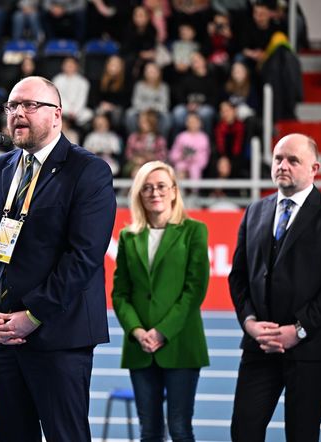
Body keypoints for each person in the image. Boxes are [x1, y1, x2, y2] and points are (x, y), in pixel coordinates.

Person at [0, 76, 117, 441]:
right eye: (12, 106)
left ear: (57, 115)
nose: (18, 113)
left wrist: (32, 315)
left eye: (30, 105)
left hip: (58, 335)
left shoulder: (88, 170)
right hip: (2, 335)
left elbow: (84, 256)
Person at [228, 133, 321, 442]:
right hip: (260, 347)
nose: (283, 165)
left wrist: (298, 329)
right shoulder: (254, 212)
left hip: (310, 347)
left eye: (293, 160)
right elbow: (239, 276)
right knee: (243, 432)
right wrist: (249, 323)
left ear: (314, 168)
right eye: (278, 159)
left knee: (302, 436)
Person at [112, 160, 210, 442]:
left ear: (174, 191)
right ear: (139, 194)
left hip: (181, 344)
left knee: (180, 429)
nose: (155, 192)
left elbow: (195, 290)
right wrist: (137, 331)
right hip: (140, 348)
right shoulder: (129, 237)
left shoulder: (194, 231)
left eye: (161, 186)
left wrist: (162, 331)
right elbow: (120, 293)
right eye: (147, 188)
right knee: (149, 431)